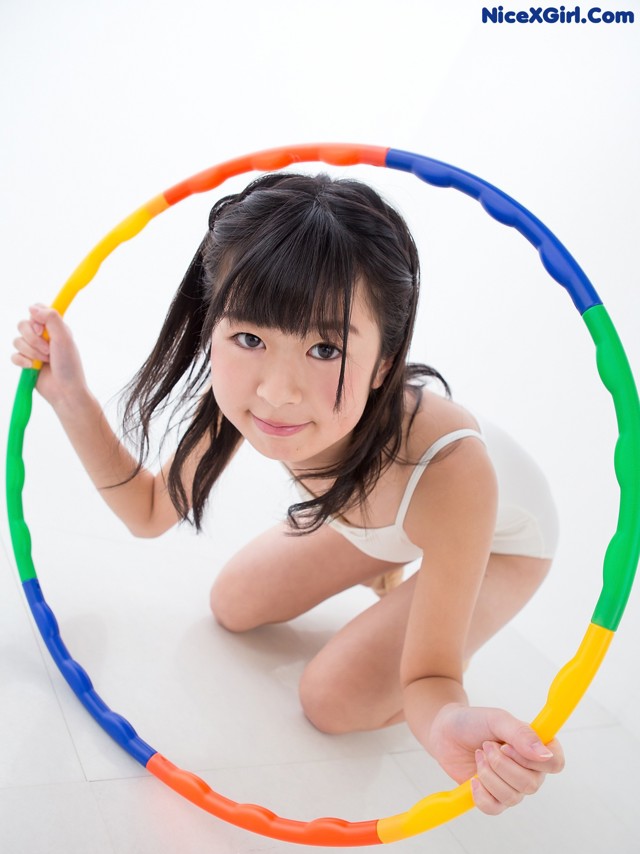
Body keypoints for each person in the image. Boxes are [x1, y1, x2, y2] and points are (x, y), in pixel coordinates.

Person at [11, 171, 564, 815]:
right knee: (233, 603)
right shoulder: (245, 401)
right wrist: (71, 398)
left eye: (326, 348)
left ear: (386, 361)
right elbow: (150, 511)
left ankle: (404, 564)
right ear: (213, 327)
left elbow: (430, 676)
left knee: (329, 699)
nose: (277, 392)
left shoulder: (453, 473)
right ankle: (390, 560)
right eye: (249, 338)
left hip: (494, 540)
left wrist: (444, 722)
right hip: (378, 514)